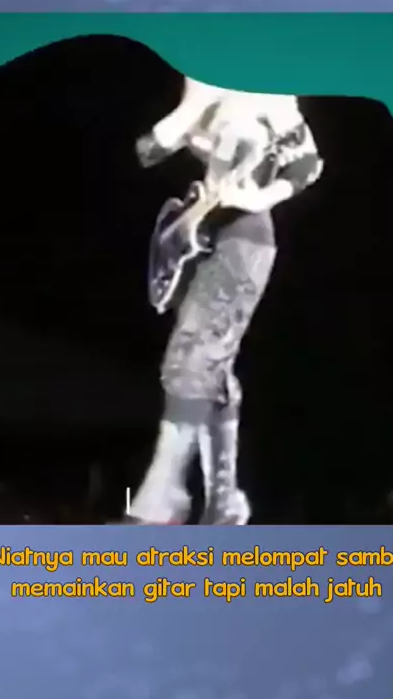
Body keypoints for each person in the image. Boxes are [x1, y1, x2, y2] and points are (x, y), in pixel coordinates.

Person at [126, 78, 324, 525]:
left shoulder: (269, 89)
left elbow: (307, 163)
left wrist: (259, 196)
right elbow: (149, 150)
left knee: (193, 357)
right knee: (210, 367)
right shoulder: (198, 78)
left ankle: (164, 493)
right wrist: (193, 105)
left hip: (244, 236)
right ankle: (224, 499)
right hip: (198, 233)